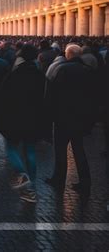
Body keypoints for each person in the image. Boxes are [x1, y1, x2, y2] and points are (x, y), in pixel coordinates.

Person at [0, 44, 45, 203]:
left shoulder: (14, 75)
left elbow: (2, 98)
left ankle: (23, 176)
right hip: (34, 118)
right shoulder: (40, 76)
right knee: (30, 151)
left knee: (11, 147)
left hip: (15, 118)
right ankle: (32, 189)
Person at [45, 44, 96, 196]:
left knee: (60, 150)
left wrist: (50, 115)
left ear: (68, 55)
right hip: (80, 118)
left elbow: (53, 95)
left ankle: (59, 179)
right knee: (79, 150)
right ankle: (85, 183)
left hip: (63, 117)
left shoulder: (62, 69)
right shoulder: (89, 71)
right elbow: (93, 98)